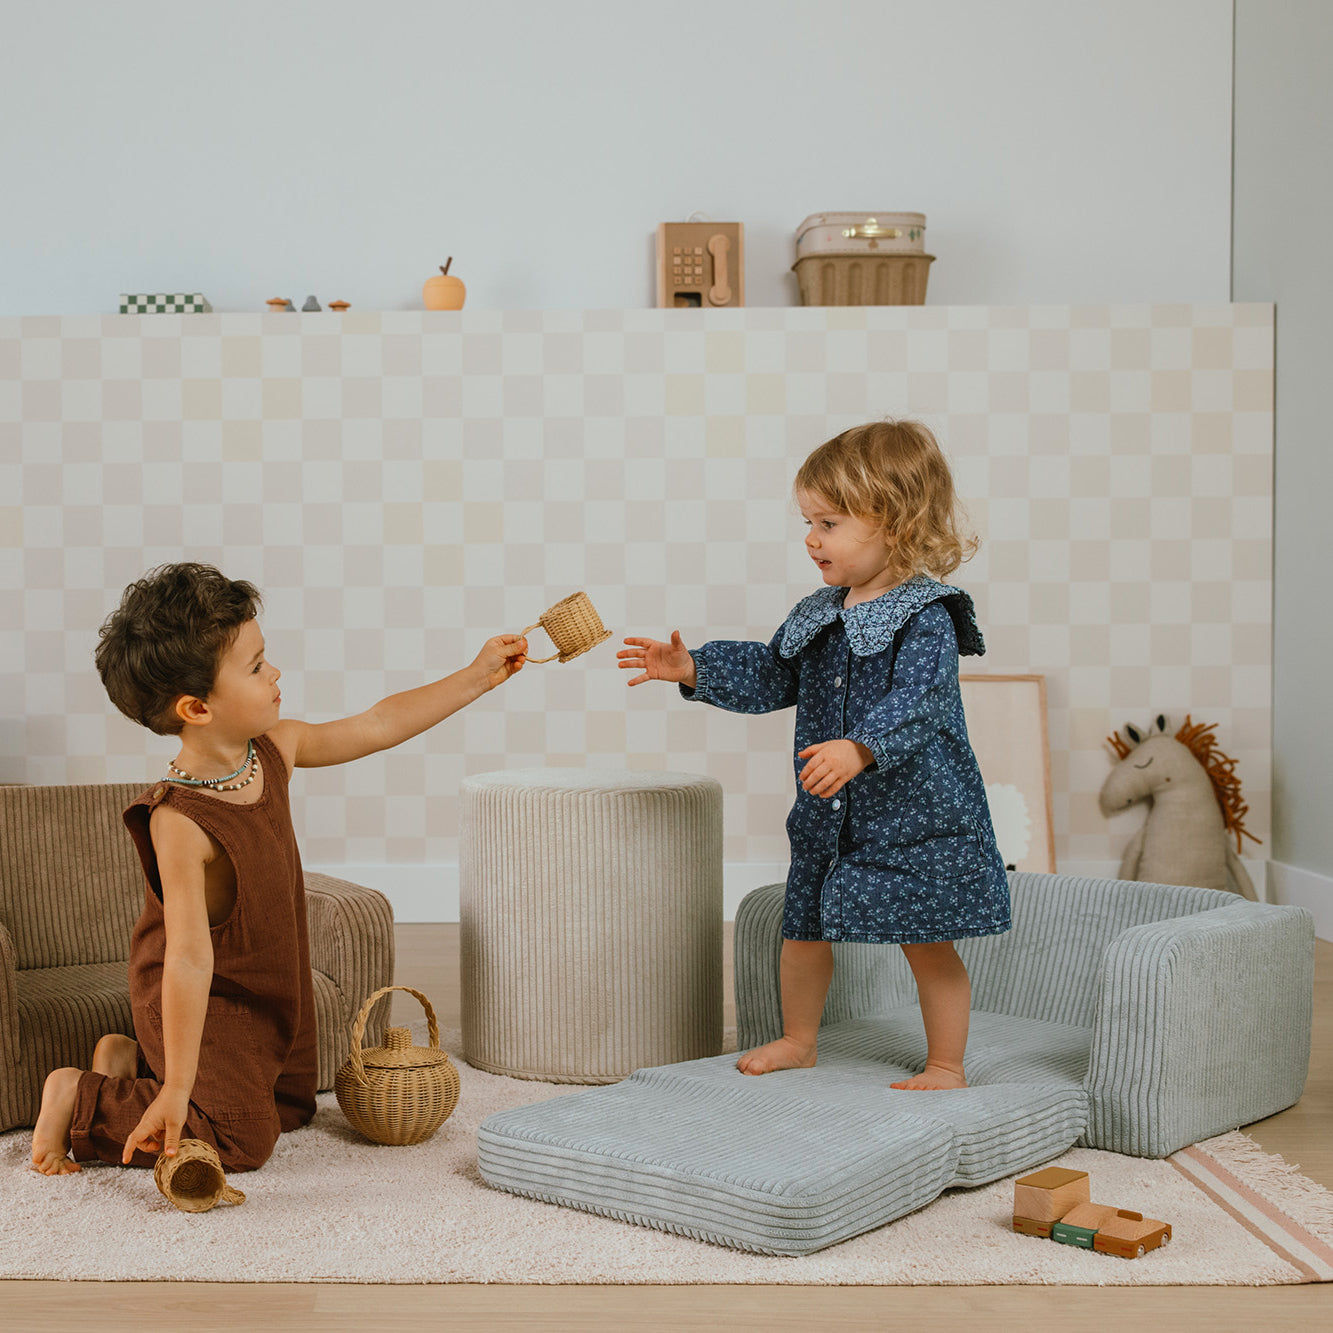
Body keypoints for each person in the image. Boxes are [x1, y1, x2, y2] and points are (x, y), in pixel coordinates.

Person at [30, 562, 527, 1176]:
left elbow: (377, 723)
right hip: (200, 998)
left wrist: (476, 676)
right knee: (242, 1141)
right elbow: (186, 958)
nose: (276, 673)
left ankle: (125, 1063)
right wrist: (179, 1088)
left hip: (271, 987)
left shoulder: (274, 751)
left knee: (293, 1108)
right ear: (197, 707)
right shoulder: (178, 820)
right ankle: (79, 1096)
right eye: (256, 666)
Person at [619, 420, 1009, 1090]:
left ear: (892, 521)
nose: (810, 539)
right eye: (807, 521)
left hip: (912, 819)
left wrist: (861, 746)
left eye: (827, 523)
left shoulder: (927, 616)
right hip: (826, 817)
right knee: (802, 927)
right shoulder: (819, 613)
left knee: (925, 941)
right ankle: (799, 1039)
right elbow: (774, 674)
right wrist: (691, 668)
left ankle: (944, 1062)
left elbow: (920, 700)